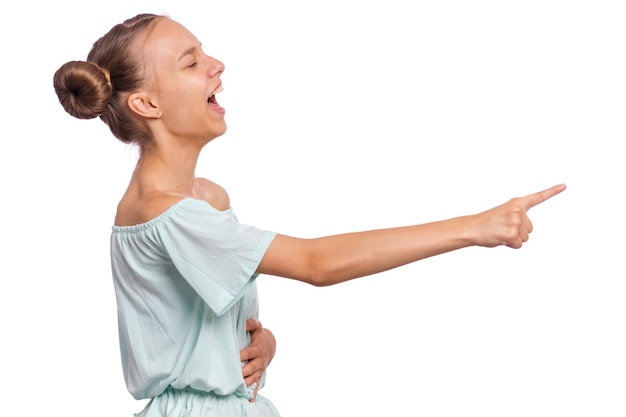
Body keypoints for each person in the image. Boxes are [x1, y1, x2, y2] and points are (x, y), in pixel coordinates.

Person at [52, 12, 566, 417]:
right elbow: (316, 263)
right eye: (190, 63)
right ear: (146, 104)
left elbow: (209, 327)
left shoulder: (205, 200)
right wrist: (476, 226)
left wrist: (260, 345)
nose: (217, 65)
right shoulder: (170, 215)